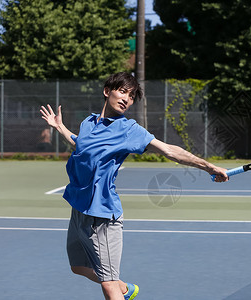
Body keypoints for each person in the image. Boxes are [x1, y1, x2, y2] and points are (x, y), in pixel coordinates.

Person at [40, 72, 229, 300]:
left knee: (109, 286)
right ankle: (127, 289)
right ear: (107, 91)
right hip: (78, 209)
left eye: (130, 96)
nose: (126, 99)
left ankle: (119, 289)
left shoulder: (128, 130)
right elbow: (81, 144)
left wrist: (209, 167)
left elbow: (170, 151)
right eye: (122, 91)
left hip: (102, 216)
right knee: (79, 267)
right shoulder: (88, 123)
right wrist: (59, 127)